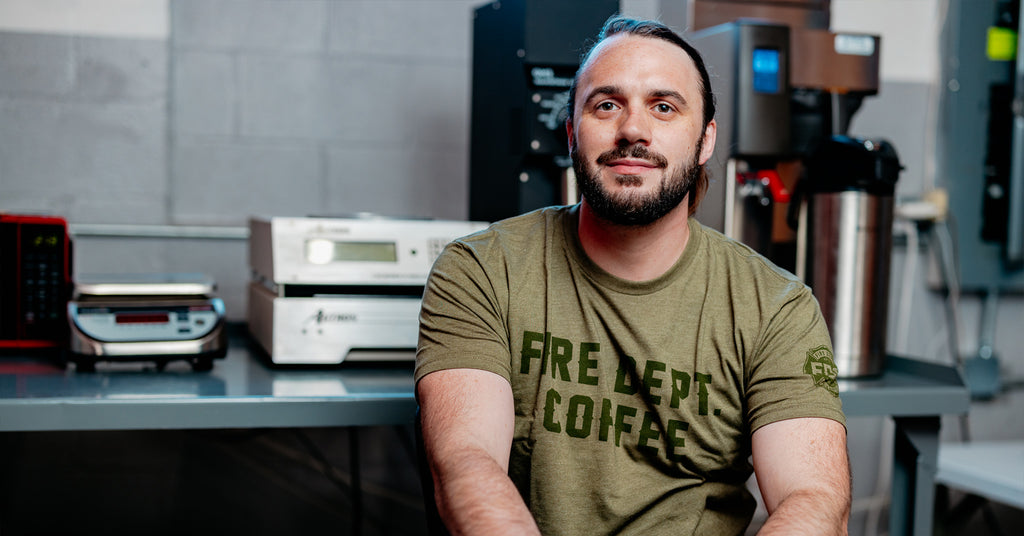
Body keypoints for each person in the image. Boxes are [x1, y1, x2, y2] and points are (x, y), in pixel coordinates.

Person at [415, 16, 850, 536]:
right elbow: (466, 463)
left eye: (664, 107)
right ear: (573, 131)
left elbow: (815, 499)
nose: (633, 131)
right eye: (606, 105)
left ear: (705, 140)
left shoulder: (774, 306)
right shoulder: (483, 271)